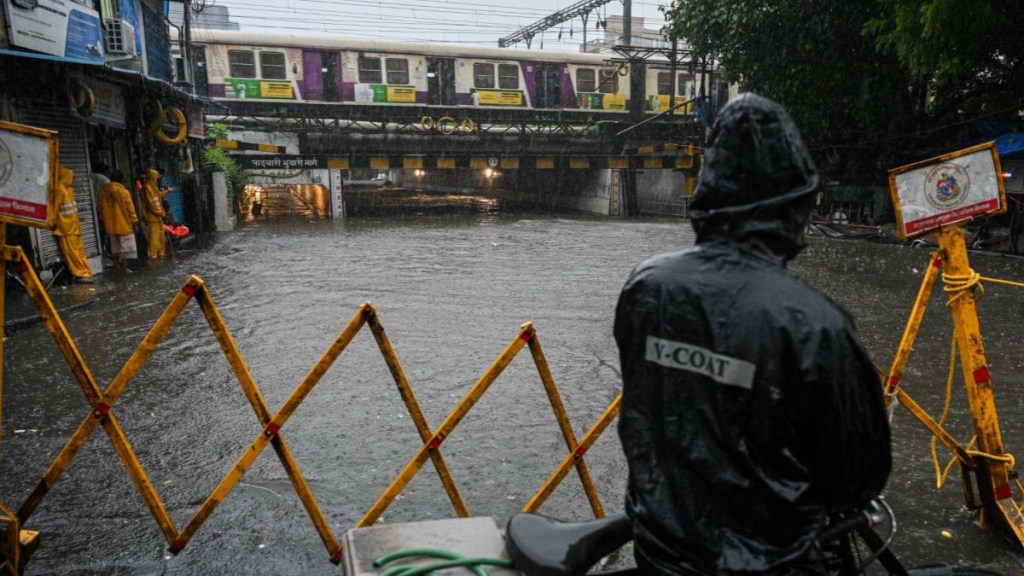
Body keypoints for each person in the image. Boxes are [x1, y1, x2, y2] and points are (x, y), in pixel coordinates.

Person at [613, 93, 891, 575]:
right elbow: (858, 475)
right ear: (793, 203)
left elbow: (654, 415)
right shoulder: (811, 322)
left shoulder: (647, 286)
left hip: (659, 554)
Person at [51, 166, 94, 283]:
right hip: (66, 228)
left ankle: (85, 271)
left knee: (79, 251)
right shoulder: (60, 189)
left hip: (73, 226)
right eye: (70, 176)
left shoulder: (68, 189)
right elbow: (54, 209)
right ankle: (81, 274)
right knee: (73, 253)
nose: (73, 178)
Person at [97, 170, 139, 272]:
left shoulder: (103, 192)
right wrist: (134, 222)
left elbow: (100, 207)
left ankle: (116, 265)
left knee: (114, 246)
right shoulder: (123, 192)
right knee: (125, 248)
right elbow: (130, 209)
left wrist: (104, 220)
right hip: (124, 224)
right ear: (121, 180)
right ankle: (124, 267)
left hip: (110, 224)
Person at [141, 168, 170, 259]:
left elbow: (158, 197)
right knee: (154, 236)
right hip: (153, 216)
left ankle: (161, 252)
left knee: (160, 235)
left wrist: (167, 191)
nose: (157, 178)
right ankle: (153, 254)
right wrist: (160, 213)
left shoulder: (153, 186)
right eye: (156, 176)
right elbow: (150, 203)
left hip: (158, 216)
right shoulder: (147, 188)